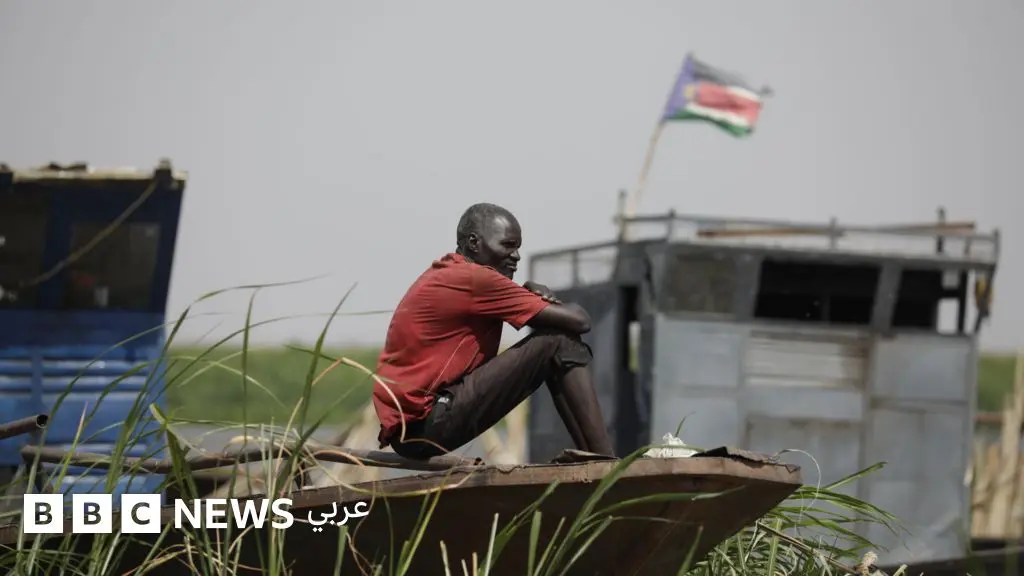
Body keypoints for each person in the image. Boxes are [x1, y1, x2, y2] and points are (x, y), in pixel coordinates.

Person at [371, 202, 616, 460]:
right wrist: (542, 294)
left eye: (518, 248)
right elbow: (580, 321)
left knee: (553, 344)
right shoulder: (475, 279)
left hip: (413, 430)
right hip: (426, 424)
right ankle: (605, 460)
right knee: (560, 342)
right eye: (507, 246)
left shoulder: (448, 273)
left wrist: (530, 296)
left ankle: (595, 458)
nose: (516, 256)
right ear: (474, 243)